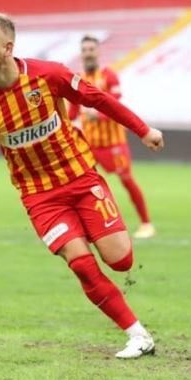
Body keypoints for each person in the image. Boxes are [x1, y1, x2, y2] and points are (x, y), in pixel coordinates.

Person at [0, 12, 164, 359]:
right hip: (40, 197)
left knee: (120, 261)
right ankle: (138, 335)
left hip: (81, 177)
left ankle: (94, 232)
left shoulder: (48, 75)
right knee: (81, 263)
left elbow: (97, 98)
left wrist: (142, 129)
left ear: (7, 48)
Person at [68, 35, 155, 239]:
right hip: (89, 144)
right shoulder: (77, 79)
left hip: (113, 143)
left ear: (98, 51)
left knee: (127, 180)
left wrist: (98, 115)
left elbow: (116, 107)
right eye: (84, 50)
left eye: (91, 49)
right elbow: (72, 112)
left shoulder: (109, 76)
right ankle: (85, 227)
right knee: (80, 183)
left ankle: (146, 223)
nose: (88, 53)